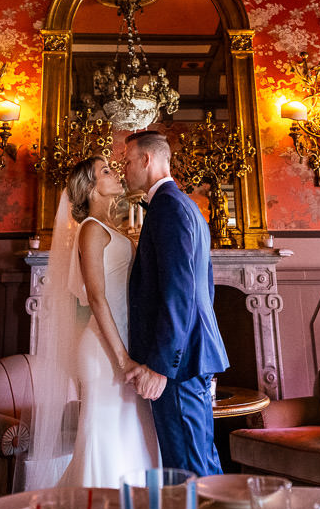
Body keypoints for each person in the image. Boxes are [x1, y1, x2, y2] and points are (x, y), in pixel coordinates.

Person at [26, 156, 159, 489]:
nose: (115, 174)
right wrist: (123, 358)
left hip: (122, 343)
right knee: (104, 439)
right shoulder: (90, 230)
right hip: (104, 352)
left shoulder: (113, 228)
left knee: (131, 437)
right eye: (105, 171)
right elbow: (97, 298)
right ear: (89, 187)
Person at [121, 130, 229, 476]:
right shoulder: (187, 207)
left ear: (146, 160)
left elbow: (179, 293)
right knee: (199, 461)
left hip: (178, 368)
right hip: (189, 357)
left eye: (126, 161)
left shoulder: (168, 207)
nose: (123, 169)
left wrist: (161, 366)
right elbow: (205, 288)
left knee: (189, 471)